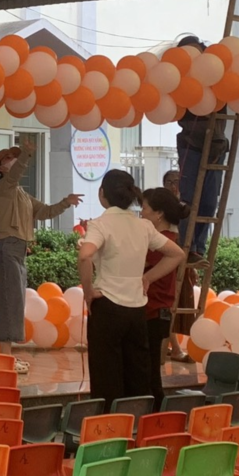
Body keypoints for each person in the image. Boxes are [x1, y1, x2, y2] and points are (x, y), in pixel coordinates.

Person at [78, 170, 185, 405]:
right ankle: (136, 423)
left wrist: (88, 292)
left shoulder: (100, 224)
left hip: (107, 307)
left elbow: (85, 256)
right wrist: (147, 278)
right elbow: (177, 254)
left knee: (107, 380)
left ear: (102, 193)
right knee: (138, 378)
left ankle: (110, 425)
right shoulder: (143, 226)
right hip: (137, 311)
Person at [0, 142, 81, 371]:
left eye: (15, 157)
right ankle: (6, 357)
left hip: (17, 250)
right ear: (1, 167)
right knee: (8, 302)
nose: (14, 161)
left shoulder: (21, 194)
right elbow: (16, 173)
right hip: (8, 248)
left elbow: (44, 211)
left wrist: (65, 203)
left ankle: (7, 356)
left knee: (13, 302)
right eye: (9, 158)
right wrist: (26, 154)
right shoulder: (3, 187)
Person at [173, 35, 225, 255]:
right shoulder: (179, 78)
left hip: (216, 146)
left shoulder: (217, 71)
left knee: (209, 202)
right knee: (189, 198)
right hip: (190, 144)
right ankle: (188, 245)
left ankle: (199, 247)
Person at [140, 188, 190, 366]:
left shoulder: (162, 242)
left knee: (149, 365)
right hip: (157, 306)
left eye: (144, 208)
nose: (141, 213)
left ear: (159, 213)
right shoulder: (169, 237)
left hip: (153, 307)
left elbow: (137, 265)